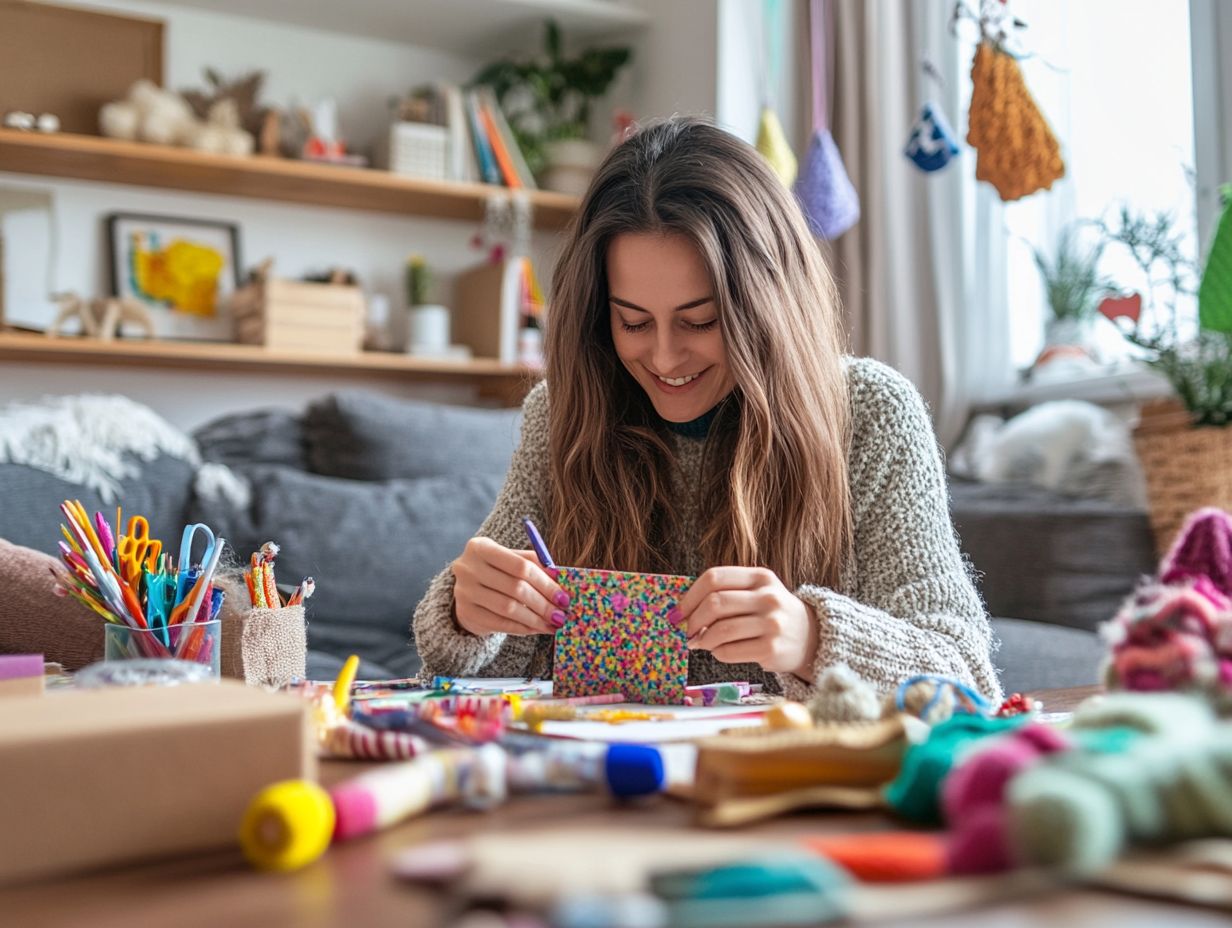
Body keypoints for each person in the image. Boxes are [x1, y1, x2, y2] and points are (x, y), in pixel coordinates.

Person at [413, 116, 1000, 702]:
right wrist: (468, 616)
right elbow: (483, 670)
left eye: (700, 321)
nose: (665, 357)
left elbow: (969, 679)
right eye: (633, 321)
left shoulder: (872, 413)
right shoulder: (565, 412)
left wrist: (811, 636)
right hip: (611, 780)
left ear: (767, 306)